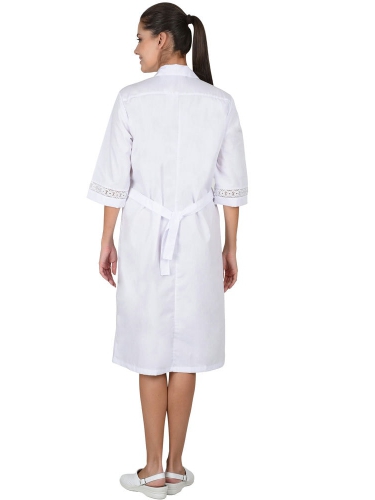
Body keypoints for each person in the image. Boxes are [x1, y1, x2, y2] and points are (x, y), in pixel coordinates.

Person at [86, 3, 248, 498]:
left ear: (162, 39)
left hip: (143, 235)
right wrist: (230, 247)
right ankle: (175, 467)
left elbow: (115, 179)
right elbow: (231, 187)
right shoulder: (220, 102)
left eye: (140, 38)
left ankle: (153, 468)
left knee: (149, 351)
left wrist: (106, 240)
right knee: (186, 353)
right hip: (199, 236)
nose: (135, 49)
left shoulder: (131, 100)